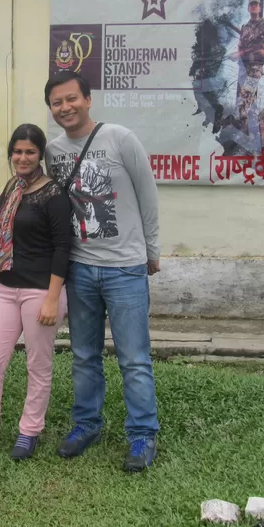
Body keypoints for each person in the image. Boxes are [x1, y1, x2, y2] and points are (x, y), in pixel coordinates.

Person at [43, 71, 161, 473]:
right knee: (83, 356)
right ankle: (86, 425)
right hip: (79, 269)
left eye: (71, 99)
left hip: (125, 268)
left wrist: (152, 249)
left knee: (134, 359)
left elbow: (148, 194)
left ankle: (143, 434)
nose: (65, 107)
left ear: (88, 99)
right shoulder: (54, 151)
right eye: (57, 103)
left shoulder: (120, 139)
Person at [0, 124, 73, 461]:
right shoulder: (14, 187)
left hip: (41, 292)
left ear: (40, 155)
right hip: (6, 289)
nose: (23, 157)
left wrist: (53, 297)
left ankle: (29, 431)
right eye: (17, 152)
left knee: (38, 366)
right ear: (11, 155)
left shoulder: (53, 194)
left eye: (30, 152)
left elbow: (63, 248)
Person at [229, 0, 264, 137]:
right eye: (251, 4)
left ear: (259, 7)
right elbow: (241, 47)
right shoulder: (245, 27)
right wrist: (236, 55)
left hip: (255, 68)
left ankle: (242, 136)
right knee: (251, 104)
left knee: (243, 100)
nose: (254, 6)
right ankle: (252, 137)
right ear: (248, 8)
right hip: (244, 68)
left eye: (256, 4)